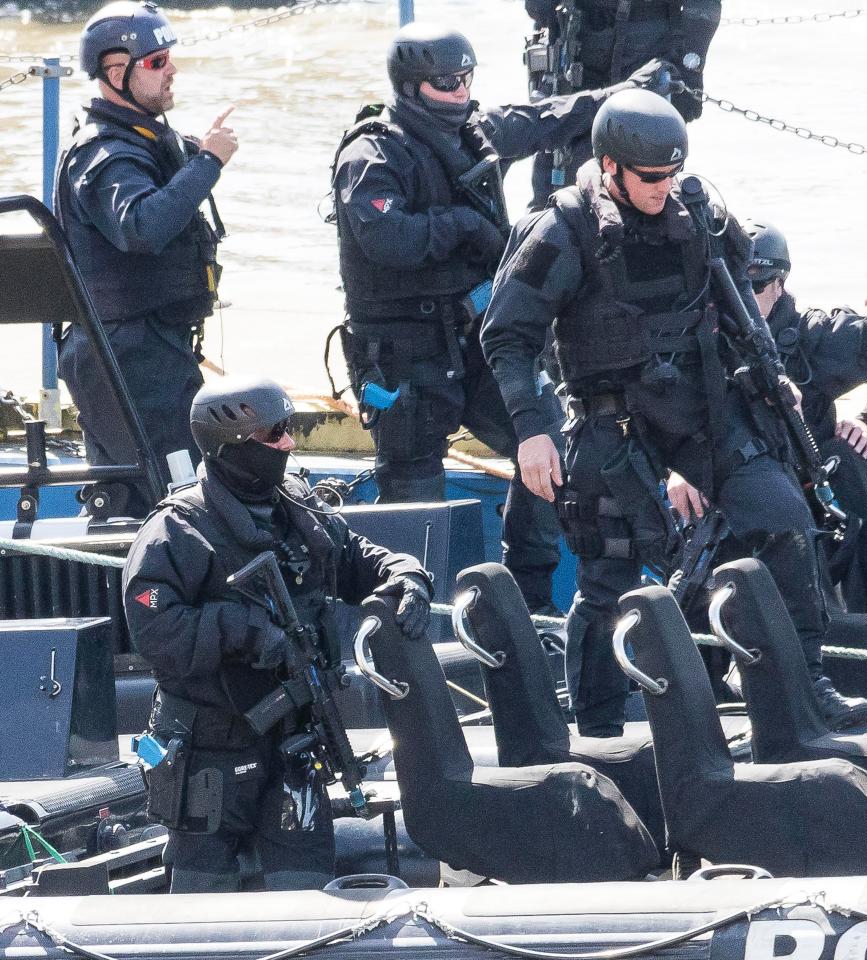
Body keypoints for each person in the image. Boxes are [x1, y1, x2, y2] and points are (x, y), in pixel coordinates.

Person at [482, 87, 867, 735]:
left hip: (701, 410)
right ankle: (598, 729)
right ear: (608, 167)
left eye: (673, 173)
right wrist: (530, 432)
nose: (665, 186)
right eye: (650, 177)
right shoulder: (562, 228)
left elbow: (739, 305)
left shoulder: (696, 211)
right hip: (611, 418)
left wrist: (775, 378)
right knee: (608, 574)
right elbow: (507, 336)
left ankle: (806, 687)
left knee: (783, 519)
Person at [332, 22, 655, 616]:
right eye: (445, 83)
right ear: (411, 87)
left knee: (549, 444)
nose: (459, 93)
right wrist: (466, 228)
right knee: (413, 499)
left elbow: (546, 118)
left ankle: (527, 599)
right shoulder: (372, 153)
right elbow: (387, 238)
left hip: (474, 342)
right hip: (404, 358)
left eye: (466, 79)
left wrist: (623, 93)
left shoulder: (476, 131)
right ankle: (416, 626)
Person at [123, 376, 433, 893]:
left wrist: (408, 575)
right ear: (233, 445)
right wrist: (243, 631)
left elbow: (359, 557)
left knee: (307, 891)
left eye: (288, 429)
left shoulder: (299, 509)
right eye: (275, 434)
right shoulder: (178, 529)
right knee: (199, 905)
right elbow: (154, 628)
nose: (289, 443)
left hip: (295, 744)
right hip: (211, 755)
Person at [54, 0, 238, 519]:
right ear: (116, 74)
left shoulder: (145, 140)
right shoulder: (104, 155)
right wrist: (208, 164)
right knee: (179, 495)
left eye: (169, 58)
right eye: (156, 63)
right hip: (124, 355)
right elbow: (141, 226)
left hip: (151, 347)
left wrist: (196, 154)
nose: (171, 69)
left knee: (147, 493)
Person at [745, 219, 867, 612]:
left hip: (812, 489)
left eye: (755, 284)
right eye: (732, 283)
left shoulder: (820, 337)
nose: (742, 297)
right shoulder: (703, 337)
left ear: (779, 284)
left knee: (850, 458)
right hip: (740, 486)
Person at [523, 0, 721, 209]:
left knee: (645, 178)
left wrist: (691, 66)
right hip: (574, 52)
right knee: (556, 181)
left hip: (646, 57)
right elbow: (538, 8)